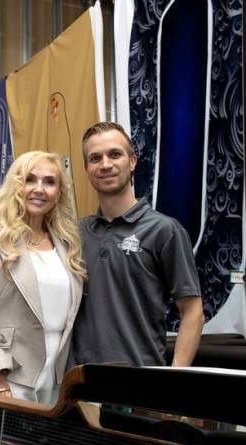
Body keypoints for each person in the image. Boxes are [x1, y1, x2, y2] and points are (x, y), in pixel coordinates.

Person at [72, 121, 204, 367]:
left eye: (115, 154)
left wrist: (175, 379)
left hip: (139, 387)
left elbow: (193, 312)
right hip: (80, 387)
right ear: (86, 168)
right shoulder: (76, 233)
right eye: (95, 158)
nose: (105, 165)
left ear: (132, 161)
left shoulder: (164, 231)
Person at [0, 151, 87, 405]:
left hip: (58, 375)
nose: (39, 189)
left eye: (49, 182)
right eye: (30, 180)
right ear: (16, 186)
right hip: (13, 375)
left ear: (58, 194)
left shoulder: (68, 244)